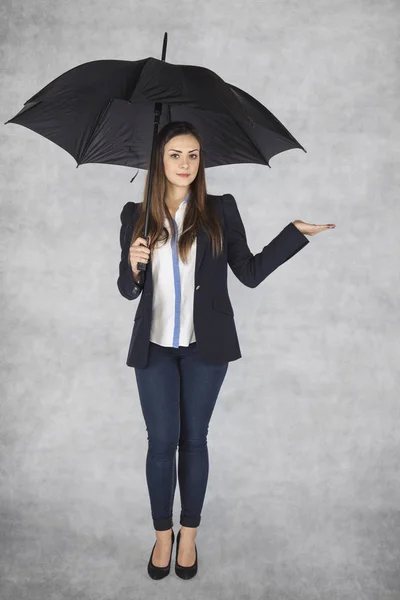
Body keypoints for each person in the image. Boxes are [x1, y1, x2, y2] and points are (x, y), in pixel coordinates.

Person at [117, 121, 335, 580]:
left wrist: (294, 233)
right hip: (154, 349)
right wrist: (133, 266)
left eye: (193, 155)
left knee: (194, 440)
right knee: (161, 444)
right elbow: (127, 290)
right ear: (160, 160)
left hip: (205, 349)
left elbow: (250, 272)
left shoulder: (219, 209)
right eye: (175, 154)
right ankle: (162, 536)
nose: (185, 164)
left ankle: (190, 535)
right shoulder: (134, 215)